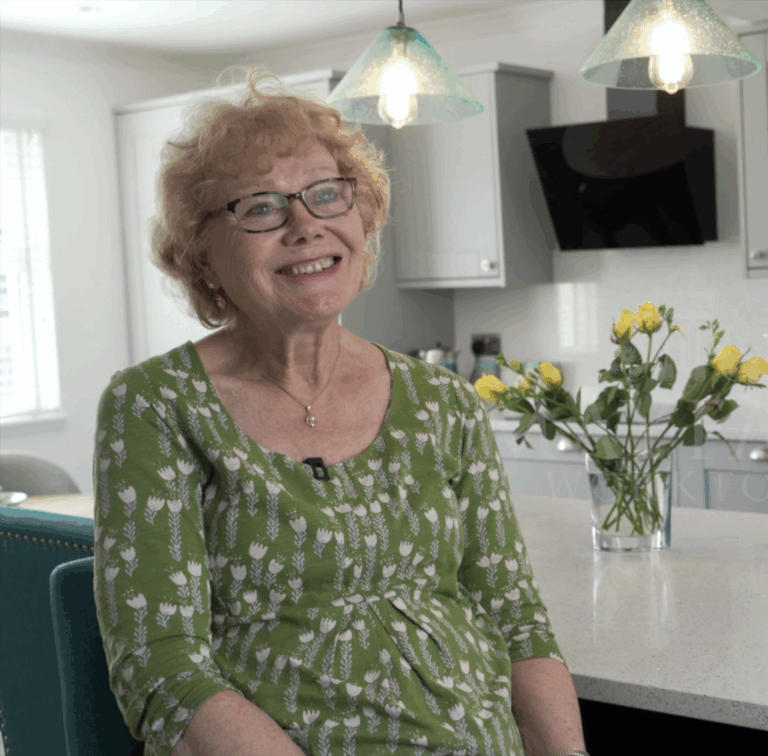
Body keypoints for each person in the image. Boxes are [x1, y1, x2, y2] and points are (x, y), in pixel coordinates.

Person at [93, 65, 588, 756]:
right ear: (201, 255)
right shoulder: (156, 405)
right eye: (261, 207)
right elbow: (160, 666)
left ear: (363, 220)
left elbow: (516, 621)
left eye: (327, 195)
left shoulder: (444, 403)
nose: (305, 225)